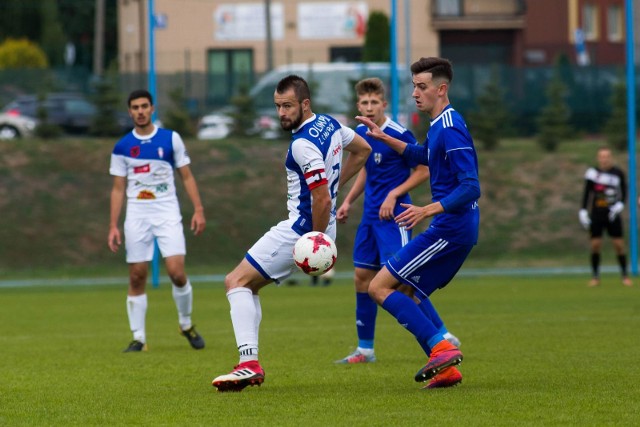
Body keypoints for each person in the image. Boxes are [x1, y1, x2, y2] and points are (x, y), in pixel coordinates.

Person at [211, 75, 371, 392]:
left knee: (235, 281)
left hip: (300, 229)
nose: (282, 113)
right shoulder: (329, 124)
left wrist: (314, 239)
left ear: (304, 104)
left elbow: (322, 198)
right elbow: (363, 149)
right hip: (321, 228)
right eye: (278, 106)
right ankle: (249, 363)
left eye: (287, 106)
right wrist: (333, 193)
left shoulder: (302, 144)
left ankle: (248, 364)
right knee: (249, 287)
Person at [355, 57, 480, 389]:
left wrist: (427, 210)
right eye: (413, 86)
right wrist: (384, 137)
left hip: (450, 229)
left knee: (378, 287)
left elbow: (471, 186)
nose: (414, 94)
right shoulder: (439, 124)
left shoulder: (451, 126)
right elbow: (423, 156)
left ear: (441, 89)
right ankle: (447, 369)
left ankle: (440, 349)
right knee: (407, 291)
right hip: (452, 228)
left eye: (421, 87)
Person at [335, 77, 457, 365]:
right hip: (370, 219)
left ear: (383, 104)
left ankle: (443, 335)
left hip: (395, 218)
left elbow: (423, 170)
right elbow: (366, 170)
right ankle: (365, 350)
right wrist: (349, 201)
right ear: (358, 105)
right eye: (364, 102)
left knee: (400, 280)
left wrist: (394, 193)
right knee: (362, 278)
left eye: (373, 102)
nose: (369, 107)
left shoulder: (398, 133)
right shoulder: (362, 134)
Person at [108, 89, 207, 352]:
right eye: (135, 107)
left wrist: (198, 209)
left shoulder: (170, 139)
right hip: (137, 216)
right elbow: (118, 188)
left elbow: (187, 176)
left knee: (176, 273)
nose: (140, 111)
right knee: (137, 276)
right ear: (129, 112)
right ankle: (138, 338)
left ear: (152, 109)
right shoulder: (122, 147)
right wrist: (113, 226)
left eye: (144, 106)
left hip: (167, 213)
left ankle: (185, 323)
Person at [579, 146, 632, 287]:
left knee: (619, 245)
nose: (604, 159)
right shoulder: (592, 173)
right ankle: (595, 277)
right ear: (598, 158)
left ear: (611, 157)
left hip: (612, 214)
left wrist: (620, 205)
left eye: (606, 156)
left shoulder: (618, 173)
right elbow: (587, 193)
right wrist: (583, 211)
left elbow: (624, 192)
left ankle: (624, 276)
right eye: (602, 156)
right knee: (595, 245)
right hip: (597, 213)